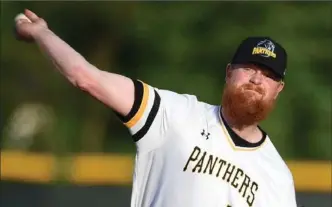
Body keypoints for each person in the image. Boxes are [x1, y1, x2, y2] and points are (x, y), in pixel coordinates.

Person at [15, 9, 298, 207]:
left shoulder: (277, 178)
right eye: (248, 68)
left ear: (279, 88)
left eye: (269, 74)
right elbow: (87, 77)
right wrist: (42, 33)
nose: (257, 79)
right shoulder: (174, 115)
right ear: (228, 72)